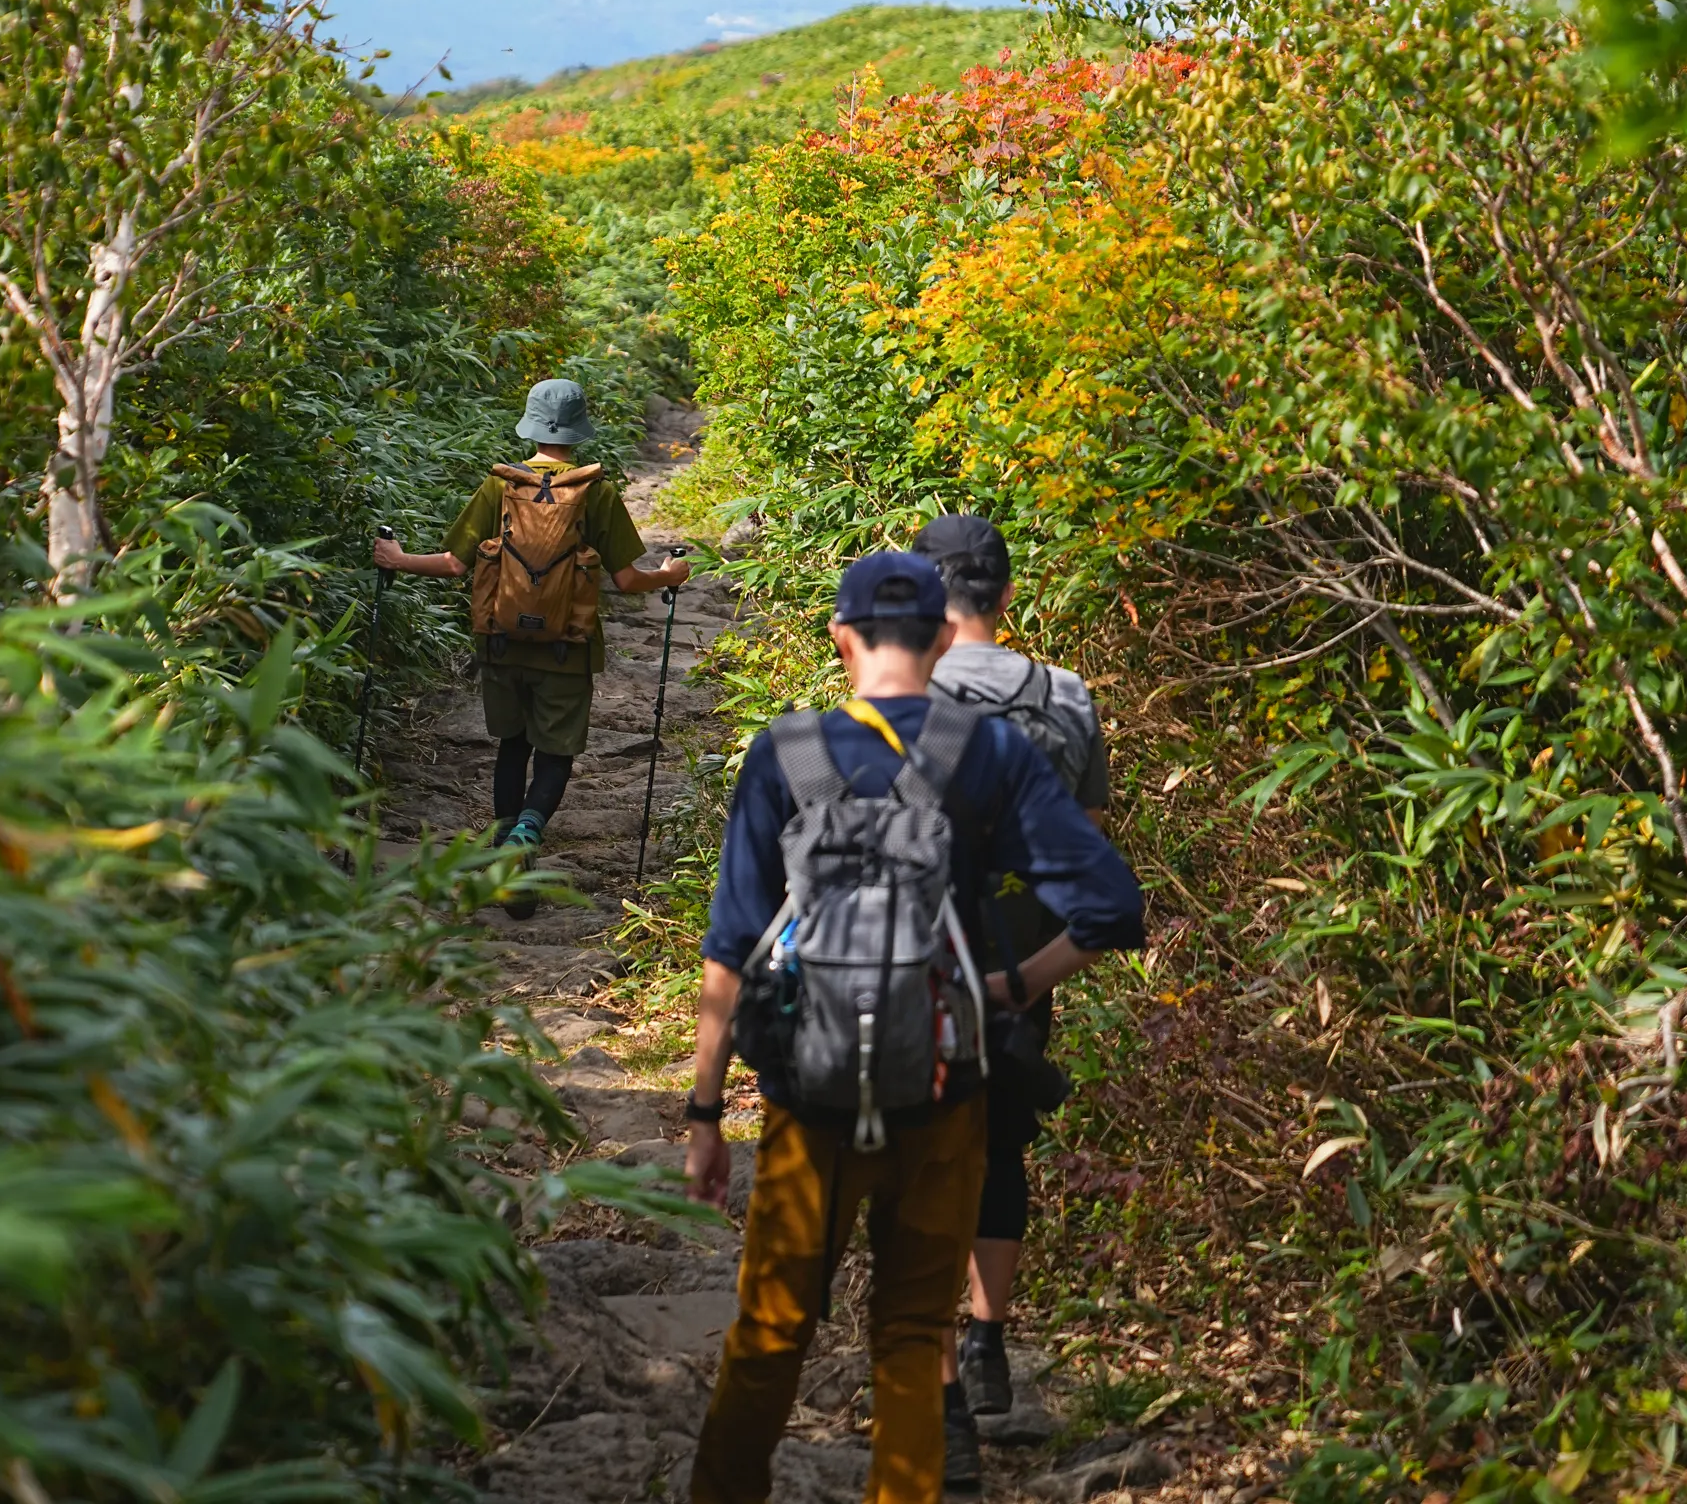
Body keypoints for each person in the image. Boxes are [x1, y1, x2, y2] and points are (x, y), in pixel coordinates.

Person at [683, 550, 1144, 1504]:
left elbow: (731, 945)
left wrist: (701, 1109)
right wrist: (1011, 986)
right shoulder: (988, 753)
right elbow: (1109, 906)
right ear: (942, 639)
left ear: (840, 638)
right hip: (944, 1095)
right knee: (905, 1335)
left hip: (807, 1099)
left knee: (770, 1330)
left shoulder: (788, 752)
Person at [914, 514, 1112, 1496]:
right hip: (1028, 957)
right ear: (1005, 592)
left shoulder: (907, 692)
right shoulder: (1066, 695)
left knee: (925, 1166)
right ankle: (989, 1346)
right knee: (1002, 1142)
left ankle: (946, 1410)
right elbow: (1087, 841)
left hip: (927, 962)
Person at [370, 376, 689, 909]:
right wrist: (671, 574)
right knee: (556, 752)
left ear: (531, 424)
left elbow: (453, 564)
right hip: (568, 648)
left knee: (512, 747)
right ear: (579, 429)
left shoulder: (500, 486)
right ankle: (524, 838)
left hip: (501, 643)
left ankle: (502, 843)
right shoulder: (597, 491)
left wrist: (398, 560)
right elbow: (629, 581)